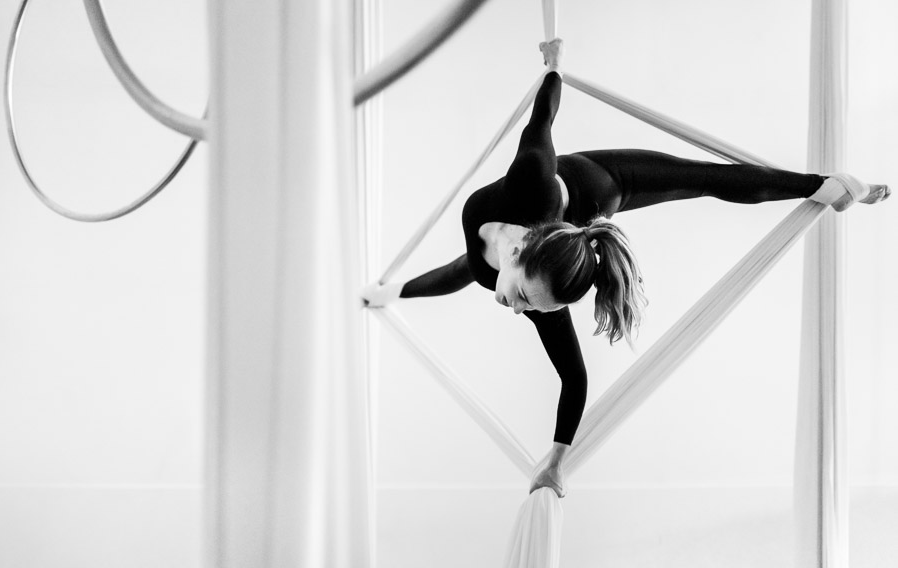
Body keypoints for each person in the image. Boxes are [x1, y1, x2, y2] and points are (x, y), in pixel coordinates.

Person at [362, 39, 889, 499]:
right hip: (588, 202)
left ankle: (826, 186)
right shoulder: (524, 208)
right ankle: (823, 185)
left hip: (595, 189)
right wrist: (554, 67)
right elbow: (538, 124)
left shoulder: (527, 230)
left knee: (705, 177)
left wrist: (555, 462)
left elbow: (542, 127)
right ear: (518, 254)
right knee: (703, 177)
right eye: (528, 302)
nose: (515, 309)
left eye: (528, 303)